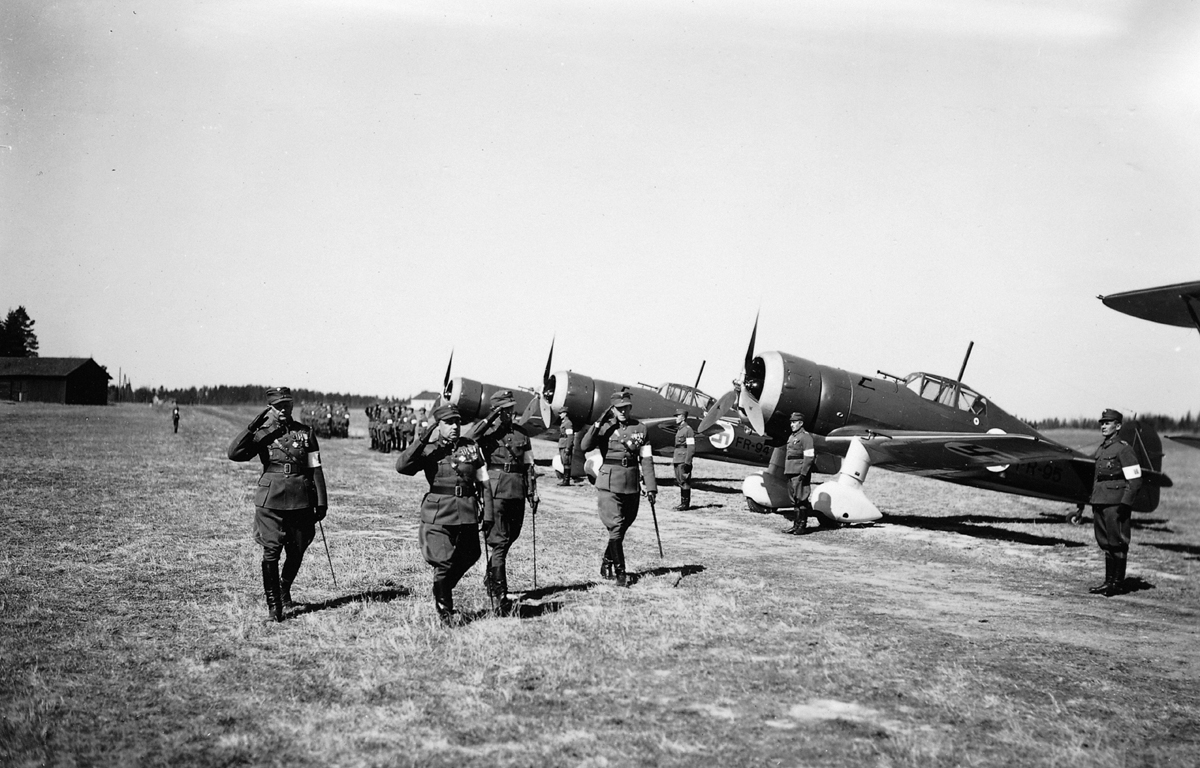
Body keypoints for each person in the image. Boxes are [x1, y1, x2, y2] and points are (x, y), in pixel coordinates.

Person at [227, 387, 328, 622]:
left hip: (301, 499)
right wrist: (251, 428)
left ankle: (284, 587)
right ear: (270, 409)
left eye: (287, 405)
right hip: (271, 499)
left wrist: (321, 501)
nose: (284, 410)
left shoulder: (306, 433)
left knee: (298, 548)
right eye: (279, 406)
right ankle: (274, 607)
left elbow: (316, 468)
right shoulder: (263, 435)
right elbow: (234, 453)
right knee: (271, 550)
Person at [396, 403, 493, 625]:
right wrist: (421, 440)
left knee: (471, 554)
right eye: (448, 423)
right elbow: (402, 467)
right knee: (444, 560)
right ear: (437, 426)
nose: (454, 427)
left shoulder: (470, 447)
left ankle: (442, 587)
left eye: (457, 422)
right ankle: (445, 611)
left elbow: (484, 482)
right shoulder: (429, 449)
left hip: (467, 511)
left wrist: (488, 513)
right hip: (438, 513)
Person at [465, 390, 537, 615]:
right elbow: (466, 439)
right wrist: (490, 419)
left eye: (511, 408)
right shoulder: (486, 433)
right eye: (504, 409)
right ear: (496, 411)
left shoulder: (521, 433)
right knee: (499, 541)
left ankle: (492, 575)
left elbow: (529, 465)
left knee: (512, 535)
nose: (510, 413)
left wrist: (533, 492)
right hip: (495, 490)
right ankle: (500, 594)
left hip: (517, 489)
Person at [581, 388, 657, 587]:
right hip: (609, 482)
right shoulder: (604, 428)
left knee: (625, 524)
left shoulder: (641, 428)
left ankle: (607, 560)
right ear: (613, 409)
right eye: (618, 408)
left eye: (626, 407)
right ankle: (621, 573)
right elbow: (584, 446)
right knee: (615, 526)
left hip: (631, 482)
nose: (623, 411)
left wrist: (651, 487)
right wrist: (598, 422)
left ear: (630, 407)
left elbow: (647, 459)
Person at [1088, 408, 1143, 596]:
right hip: (1101, 501)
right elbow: (1098, 477)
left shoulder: (1124, 449)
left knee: (1117, 542)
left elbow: (1135, 480)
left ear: (1118, 426)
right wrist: (1094, 500)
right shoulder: (1102, 449)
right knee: (1105, 541)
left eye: (1107, 422)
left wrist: (1125, 503)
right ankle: (1108, 582)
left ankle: (1117, 584)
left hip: (1116, 503)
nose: (1103, 426)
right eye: (1102, 423)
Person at [781, 412, 816, 535]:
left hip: (799, 473)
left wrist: (804, 473)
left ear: (801, 423)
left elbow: (809, 457)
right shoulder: (792, 437)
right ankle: (796, 525)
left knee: (801, 499)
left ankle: (802, 526)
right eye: (791, 422)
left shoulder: (806, 437)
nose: (792, 424)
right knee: (794, 500)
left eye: (794, 422)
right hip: (791, 472)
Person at [671, 408, 696, 510]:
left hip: (683, 459)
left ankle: (685, 504)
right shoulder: (680, 429)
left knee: (684, 481)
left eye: (677, 416)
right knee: (680, 481)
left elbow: (691, 447)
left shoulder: (688, 430)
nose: (676, 418)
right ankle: (683, 502)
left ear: (683, 417)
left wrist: (688, 462)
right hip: (677, 458)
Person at [557, 411, 577, 486]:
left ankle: (566, 481)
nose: (560, 415)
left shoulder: (568, 423)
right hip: (562, 444)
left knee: (567, 463)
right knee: (564, 462)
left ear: (565, 413)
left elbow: (570, 436)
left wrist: (568, 447)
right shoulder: (564, 422)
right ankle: (564, 480)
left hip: (565, 444)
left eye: (561, 413)